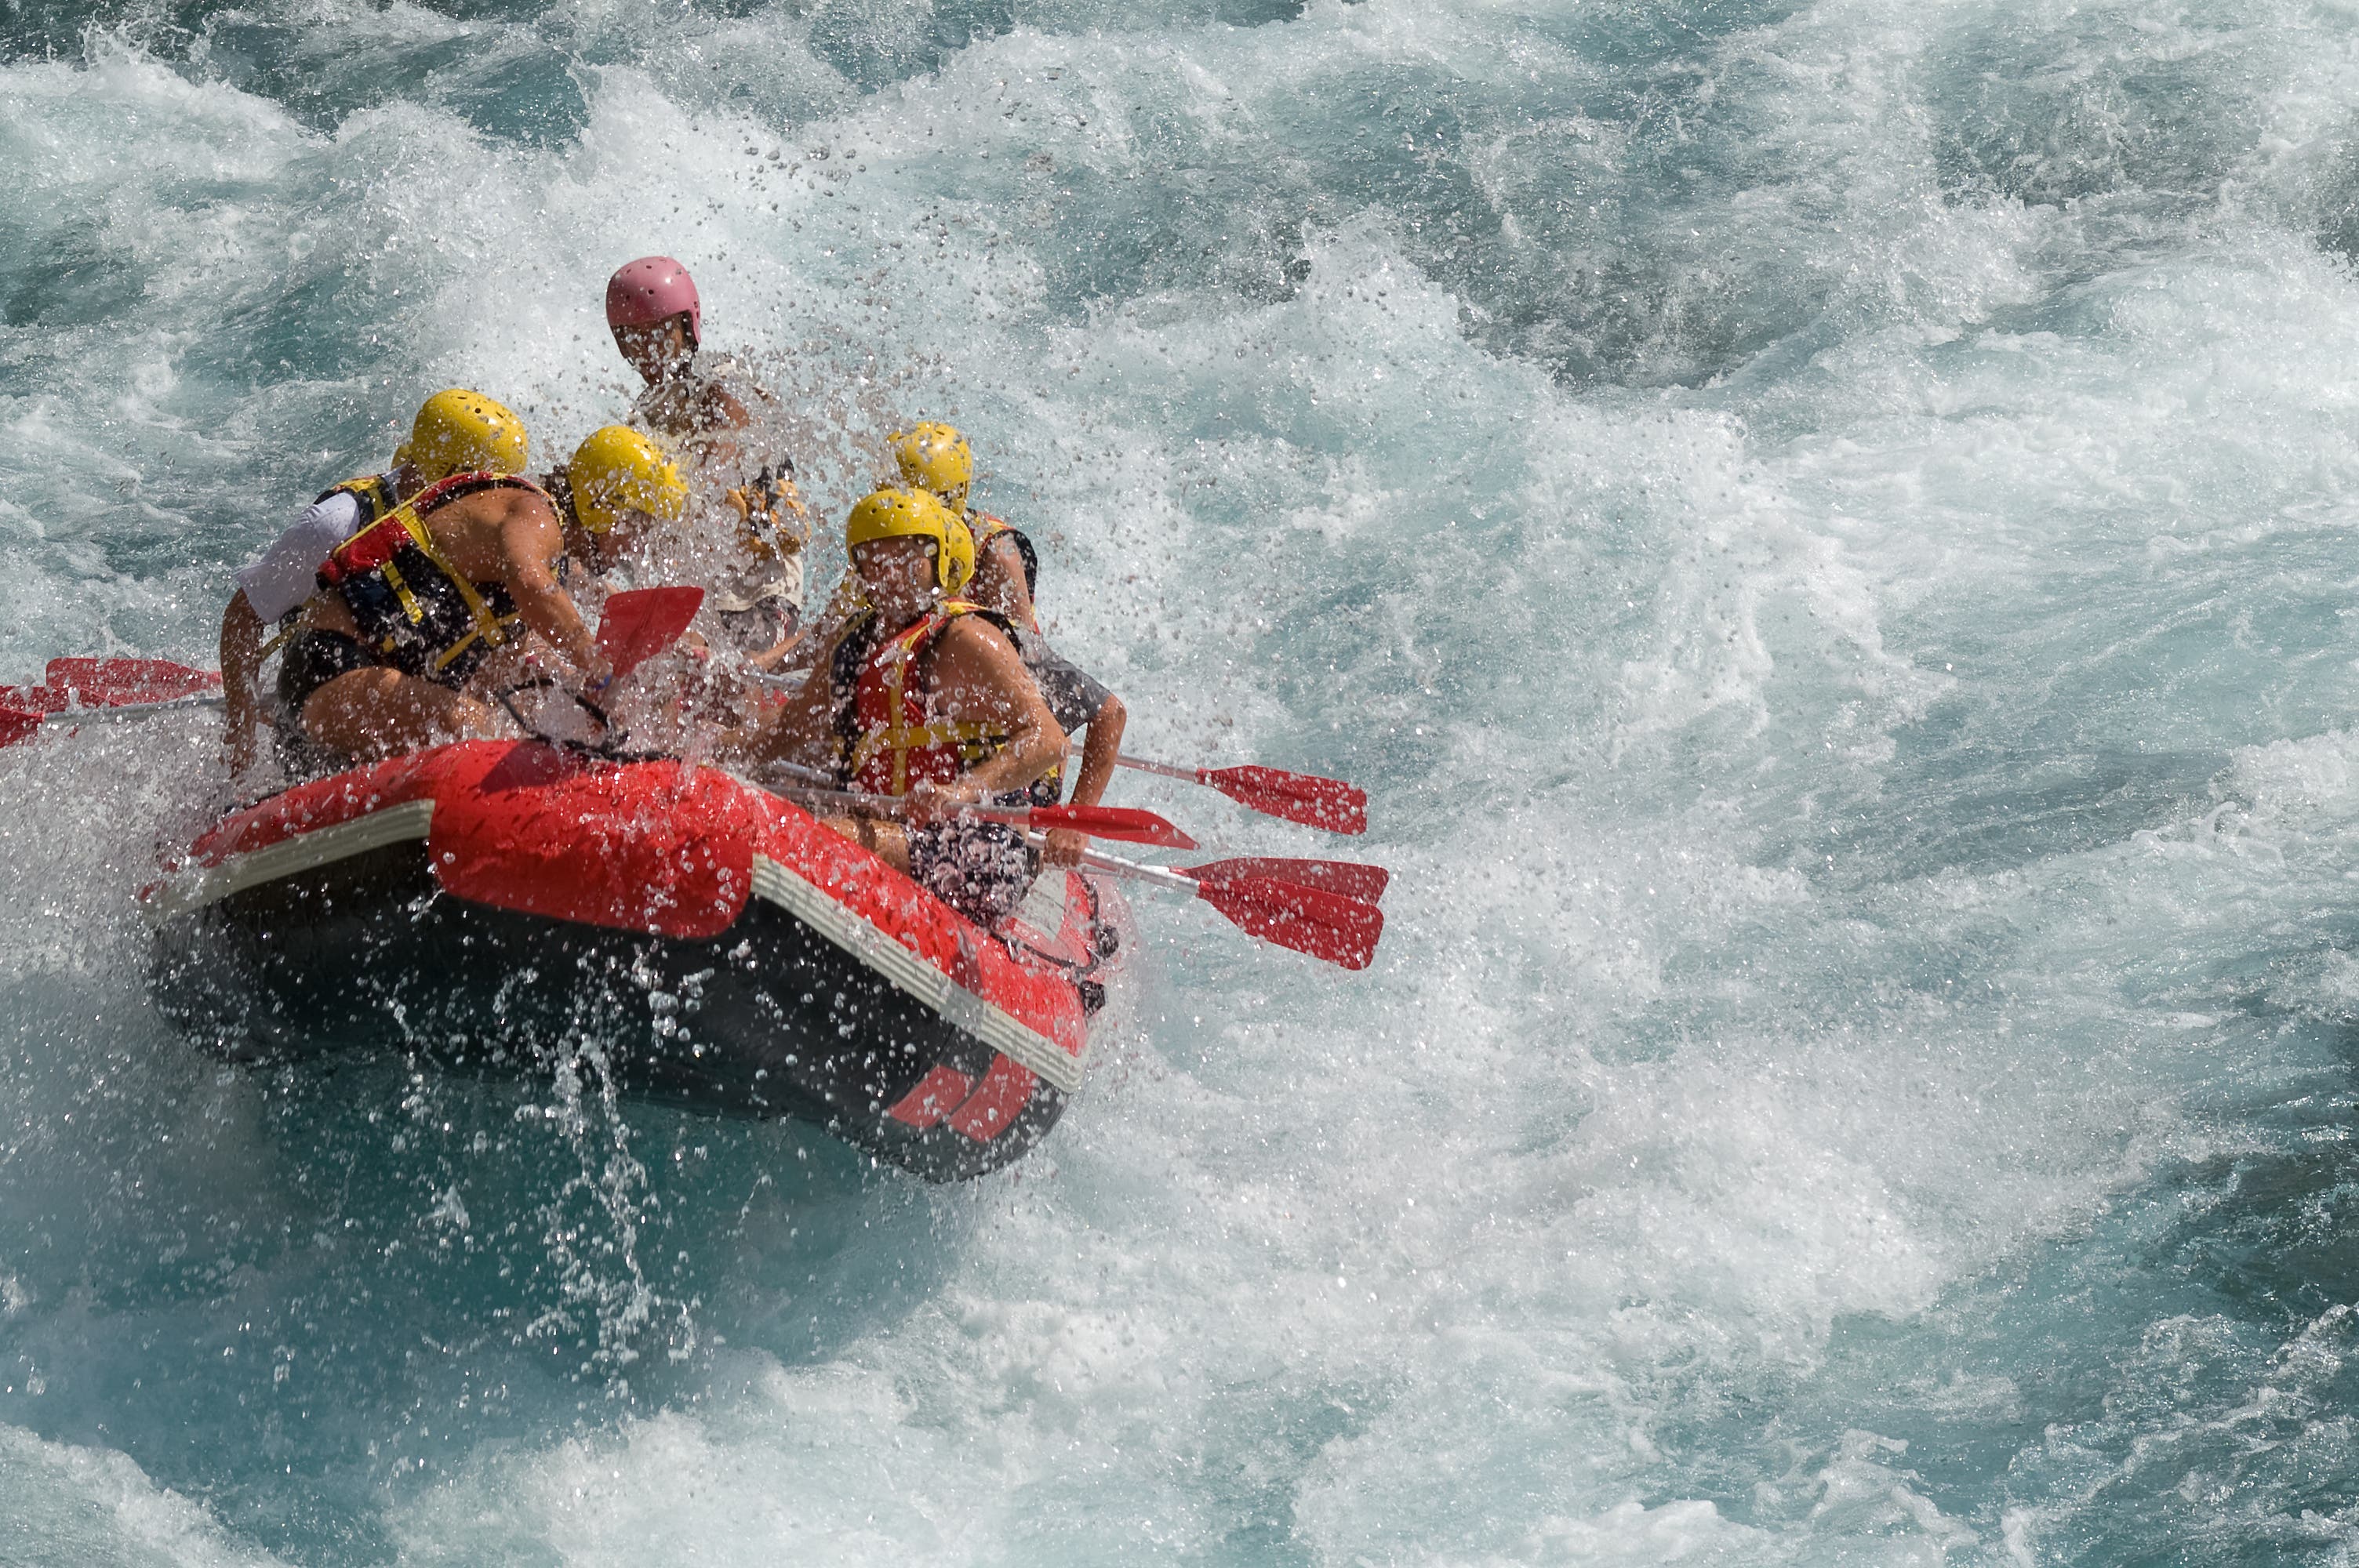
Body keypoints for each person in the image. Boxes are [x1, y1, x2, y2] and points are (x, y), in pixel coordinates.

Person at [732, 487, 1066, 927]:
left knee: (826, 835)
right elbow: (790, 727)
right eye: (876, 561)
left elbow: (1049, 741)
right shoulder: (853, 642)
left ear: (939, 561)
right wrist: (713, 755)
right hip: (894, 828)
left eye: (909, 559)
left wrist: (961, 792)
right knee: (781, 811)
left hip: (978, 844)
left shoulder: (966, 638)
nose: (891, 574)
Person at [274, 423, 682, 764]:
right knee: (486, 731)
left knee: (527, 722)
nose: (636, 547)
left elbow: (495, 670)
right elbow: (531, 584)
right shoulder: (534, 516)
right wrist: (598, 666)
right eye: (638, 527)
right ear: (604, 505)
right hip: (329, 670)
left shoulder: (546, 555)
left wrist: (578, 693)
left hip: (362, 685)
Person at [220, 388, 529, 772]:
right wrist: (241, 726)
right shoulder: (336, 524)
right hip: (324, 682)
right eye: (491, 487)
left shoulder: (470, 527)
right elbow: (242, 616)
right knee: (470, 723)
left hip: (399, 673)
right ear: (452, 476)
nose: (503, 504)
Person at [889, 422, 1129, 868]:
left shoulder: (993, 563)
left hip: (1016, 743)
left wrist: (1073, 820)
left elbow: (1099, 707)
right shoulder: (893, 549)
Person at [606, 256, 809, 666]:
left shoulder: (723, 381)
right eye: (634, 339)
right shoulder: (646, 410)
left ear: (687, 327)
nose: (649, 352)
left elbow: (720, 465)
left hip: (761, 584)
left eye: (660, 335)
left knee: (736, 687)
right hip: (703, 583)